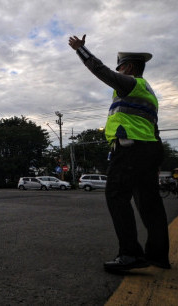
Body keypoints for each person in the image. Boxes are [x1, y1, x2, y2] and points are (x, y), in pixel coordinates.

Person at [68, 34, 170, 272]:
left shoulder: (131, 83)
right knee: (149, 204)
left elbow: (101, 71)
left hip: (130, 150)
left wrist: (81, 50)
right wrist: (156, 160)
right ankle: (158, 256)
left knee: (116, 195)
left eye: (121, 67)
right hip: (149, 149)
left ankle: (131, 254)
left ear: (130, 67)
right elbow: (153, 127)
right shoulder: (147, 92)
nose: (118, 71)